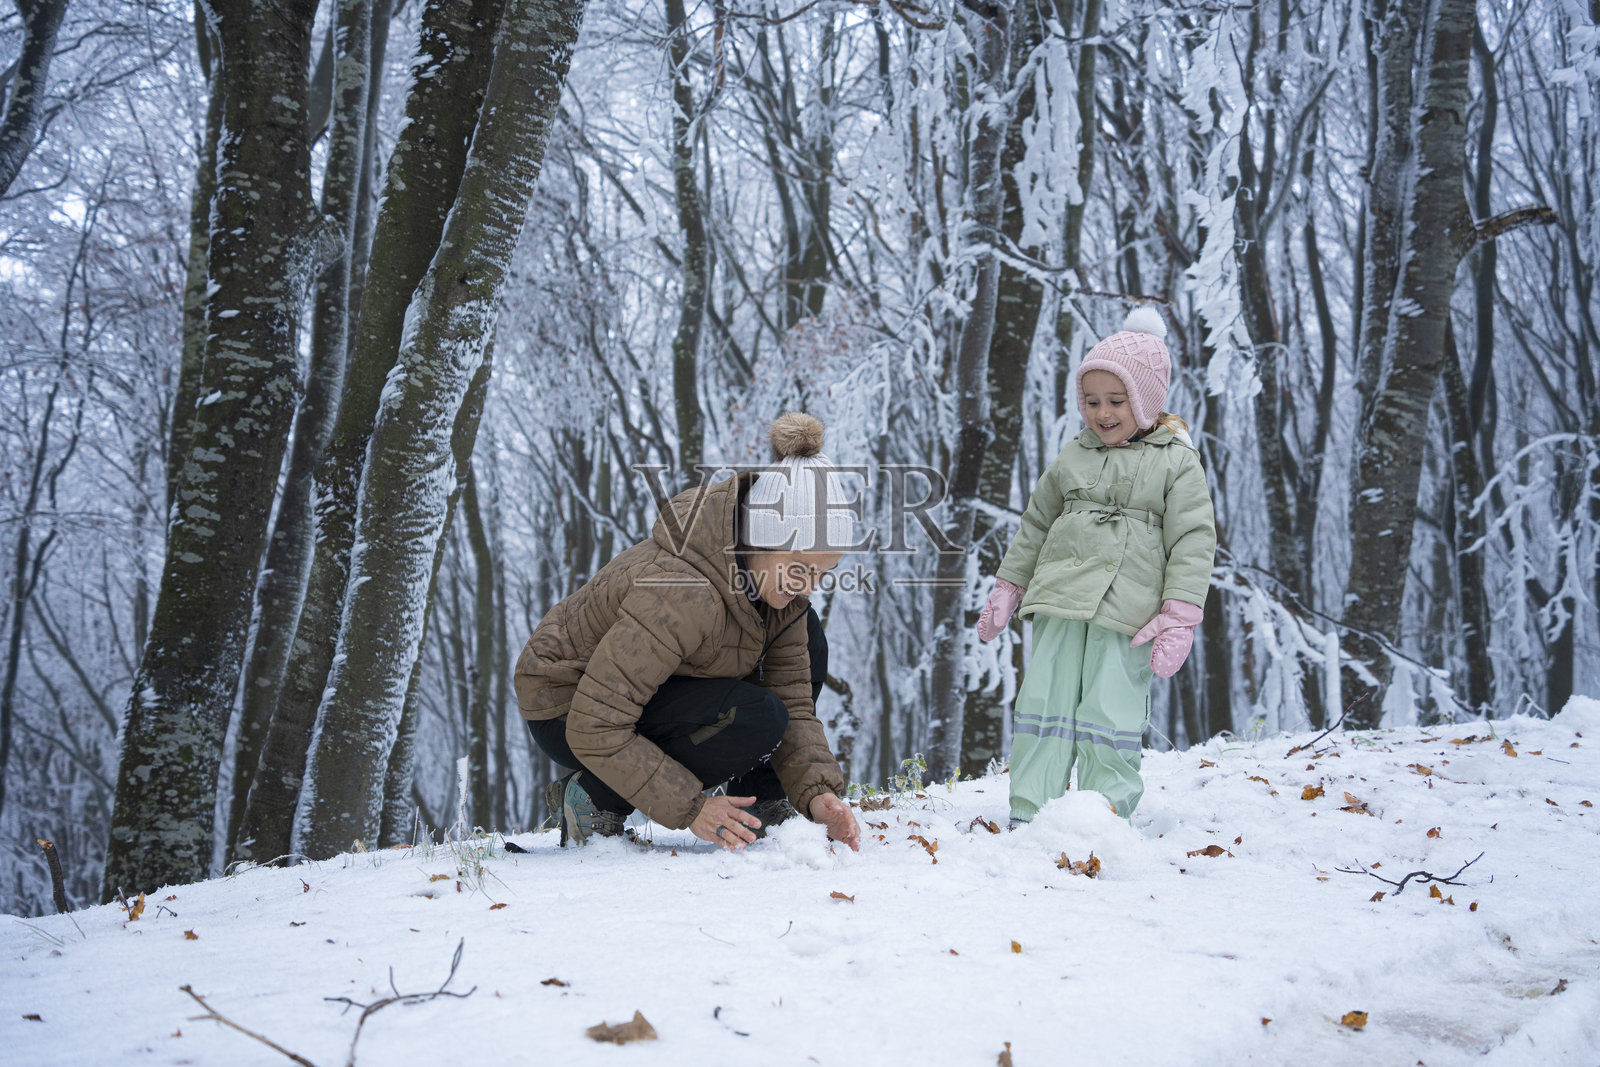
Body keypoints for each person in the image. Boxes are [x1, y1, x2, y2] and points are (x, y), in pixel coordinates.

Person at [513, 412, 862, 852]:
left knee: (805, 640)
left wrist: (817, 794)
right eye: (800, 568)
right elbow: (594, 724)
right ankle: (593, 797)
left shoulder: (778, 599)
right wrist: (692, 808)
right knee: (754, 717)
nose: (808, 586)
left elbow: (793, 702)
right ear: (759, 542)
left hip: (648, 693)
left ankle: (763, 797)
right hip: (567, 706)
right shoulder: (682, 593)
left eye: (822, 574)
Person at [976, 308, 1217, 822]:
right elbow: (1036, 523)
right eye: (1091, 401)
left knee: (1110, 713)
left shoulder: (1176, 460)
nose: (1102, 413)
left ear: (1147, 400)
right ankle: (1031, 814)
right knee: (1044, 709)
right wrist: (1009, 585)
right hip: (1060, 599)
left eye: (1117, 400)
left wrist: (1180, 613)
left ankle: (1104, 819)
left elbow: (1193, 539)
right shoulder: (1073, 455)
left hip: (1127, 612)